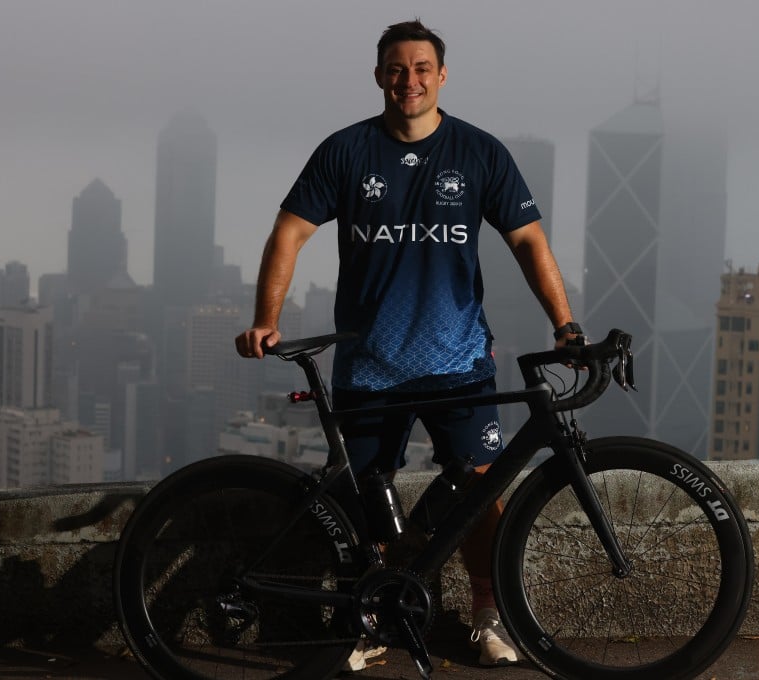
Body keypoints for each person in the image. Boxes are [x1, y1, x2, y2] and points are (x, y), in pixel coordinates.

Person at [235, 19, 583, 670]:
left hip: (458, 360)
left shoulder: (479, 153)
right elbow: (289, 233)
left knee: (482, 489)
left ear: (442, 76)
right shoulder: (346, 151)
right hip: (369, 366)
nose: (409, 81)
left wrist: (566, 326)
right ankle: (371, 620)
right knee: (370, 497)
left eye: (422, 68)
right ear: (379, 78)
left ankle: (485, 611)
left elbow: (530, 241)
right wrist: (265, 318)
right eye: (397, 69)